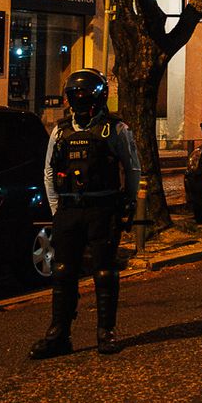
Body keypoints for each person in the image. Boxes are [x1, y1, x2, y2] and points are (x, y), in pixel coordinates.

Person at [30, 68, 140, 359]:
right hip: (69, 209)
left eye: (84, 94)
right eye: (74, 94)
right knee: (63, 271)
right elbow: (49, 171)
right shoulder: (61, 130)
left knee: (104, 272)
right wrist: (56, 208)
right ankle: (58, 334)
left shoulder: (115, 130)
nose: (79, 99)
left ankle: (106, 332)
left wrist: (129, 202)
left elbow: (132, 168)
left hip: (102, 208)